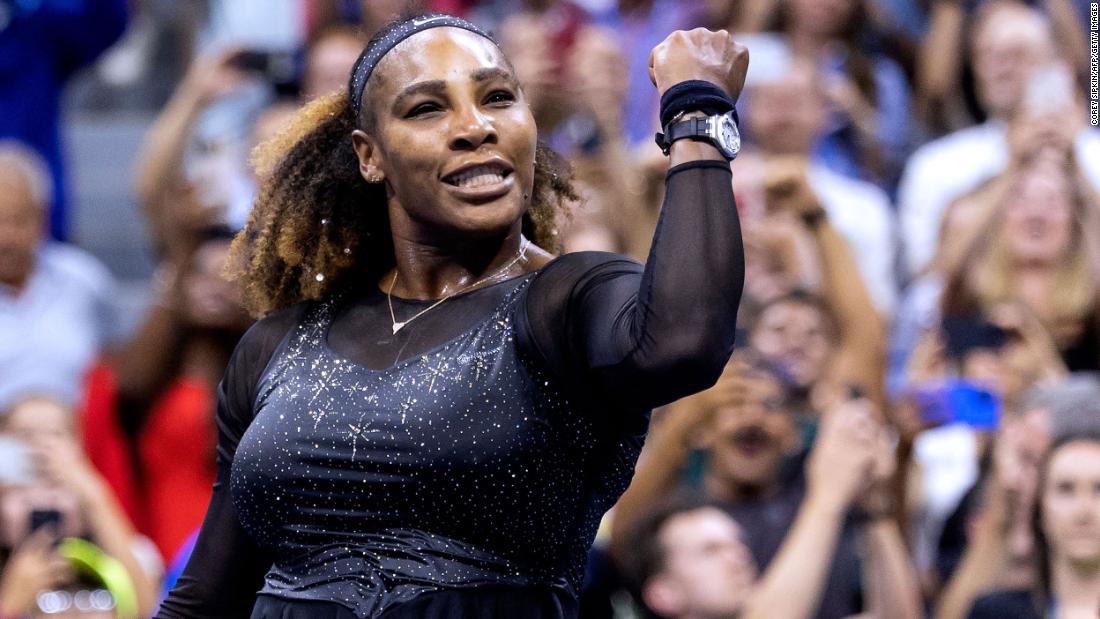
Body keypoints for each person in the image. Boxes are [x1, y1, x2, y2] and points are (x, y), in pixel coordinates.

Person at [156, 13, 747, 619]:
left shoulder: (567, 300)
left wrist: (695, 114)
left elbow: (686, 342)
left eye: (497, 98)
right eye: (426, 109)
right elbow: (207, 597)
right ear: (370, 156)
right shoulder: (277, 344)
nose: (475, 127)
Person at [612, 351, 922, 619]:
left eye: (738, 544)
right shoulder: (678, 513)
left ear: (794, 433)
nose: (737, 557)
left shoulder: (811, 503)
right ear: (662, 593)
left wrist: (876, 508)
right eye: (710, 550)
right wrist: (827, 495)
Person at [0, 142, 118, 411]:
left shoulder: (85, 279)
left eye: (18, 220)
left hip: (77, 443)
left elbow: (112, 370)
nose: (6, 237)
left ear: (43, 217)